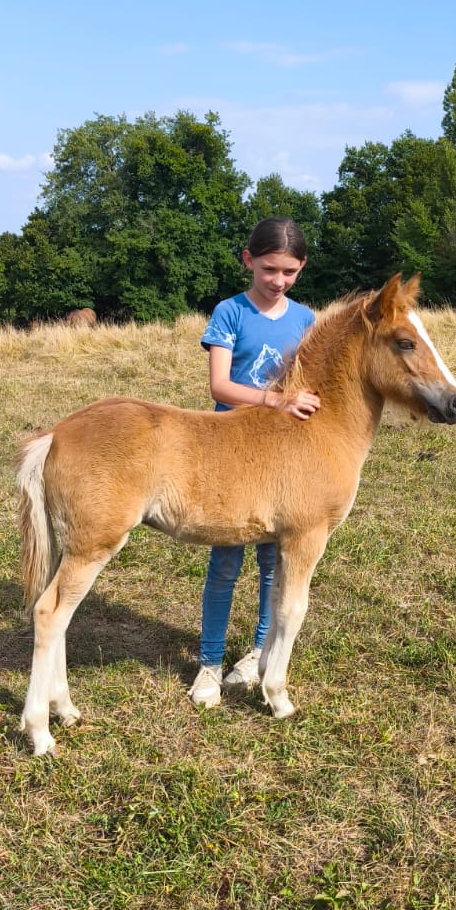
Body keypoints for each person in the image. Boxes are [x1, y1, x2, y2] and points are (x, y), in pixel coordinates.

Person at [188, 216, 320, 708]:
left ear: (301, 267)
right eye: (269, 270)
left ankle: (260, 652)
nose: (278, 281)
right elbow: (220, 387)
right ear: (248, 261)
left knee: (274, 563)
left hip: (282, 458)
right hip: (230, 450)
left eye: (289, 272)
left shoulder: (306, 319)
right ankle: (210, 662)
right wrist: (275, 401)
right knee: (224, 562)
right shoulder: (230, 312)